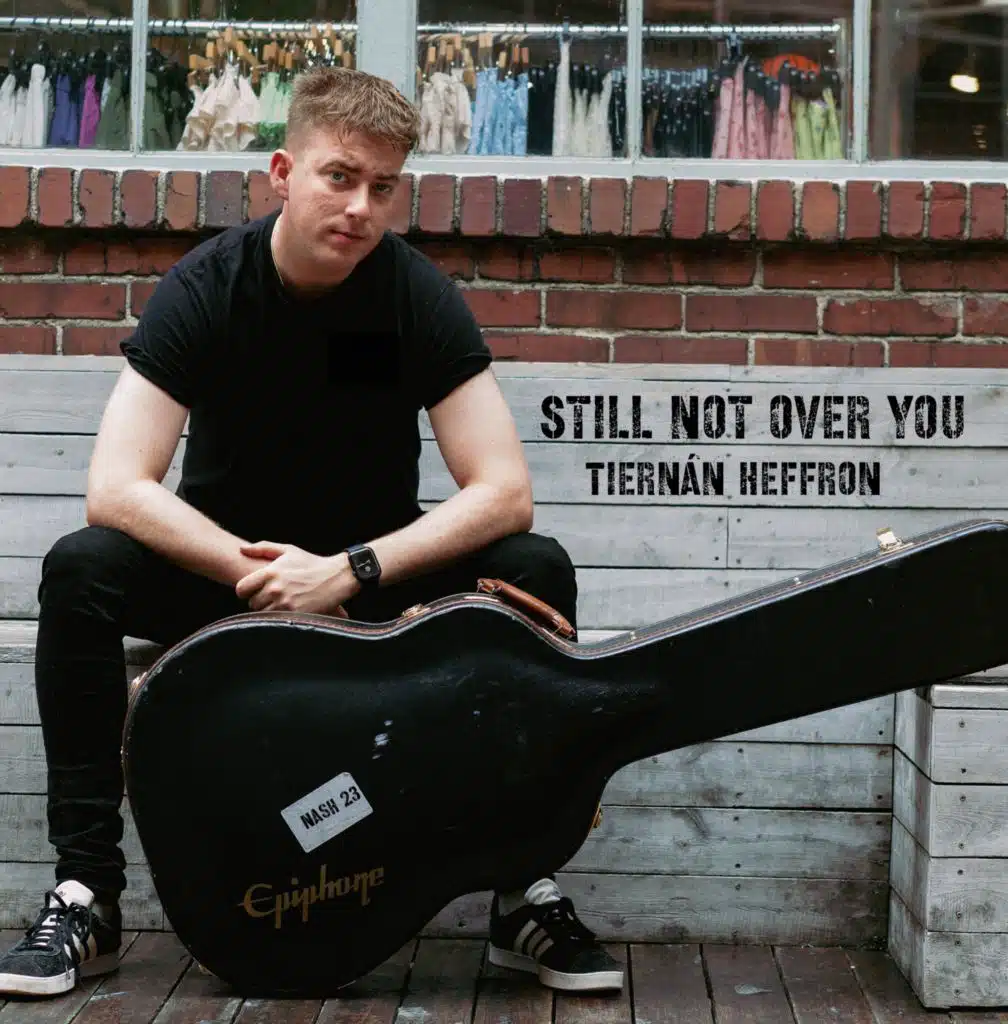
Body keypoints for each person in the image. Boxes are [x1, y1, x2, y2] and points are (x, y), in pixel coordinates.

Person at [0, 66, 623, 1000]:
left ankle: (519, 890)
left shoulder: (413, 296)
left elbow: (504, 492)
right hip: (229, 578)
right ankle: (88, 894)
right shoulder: (207, 287)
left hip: (372, 585)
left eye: (383, 187)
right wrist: (259, 576)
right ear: (283, 173)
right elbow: (117, 488)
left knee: (533, 567)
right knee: (81, 568)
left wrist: (348, 571)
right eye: (340, 177)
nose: (361, 207)